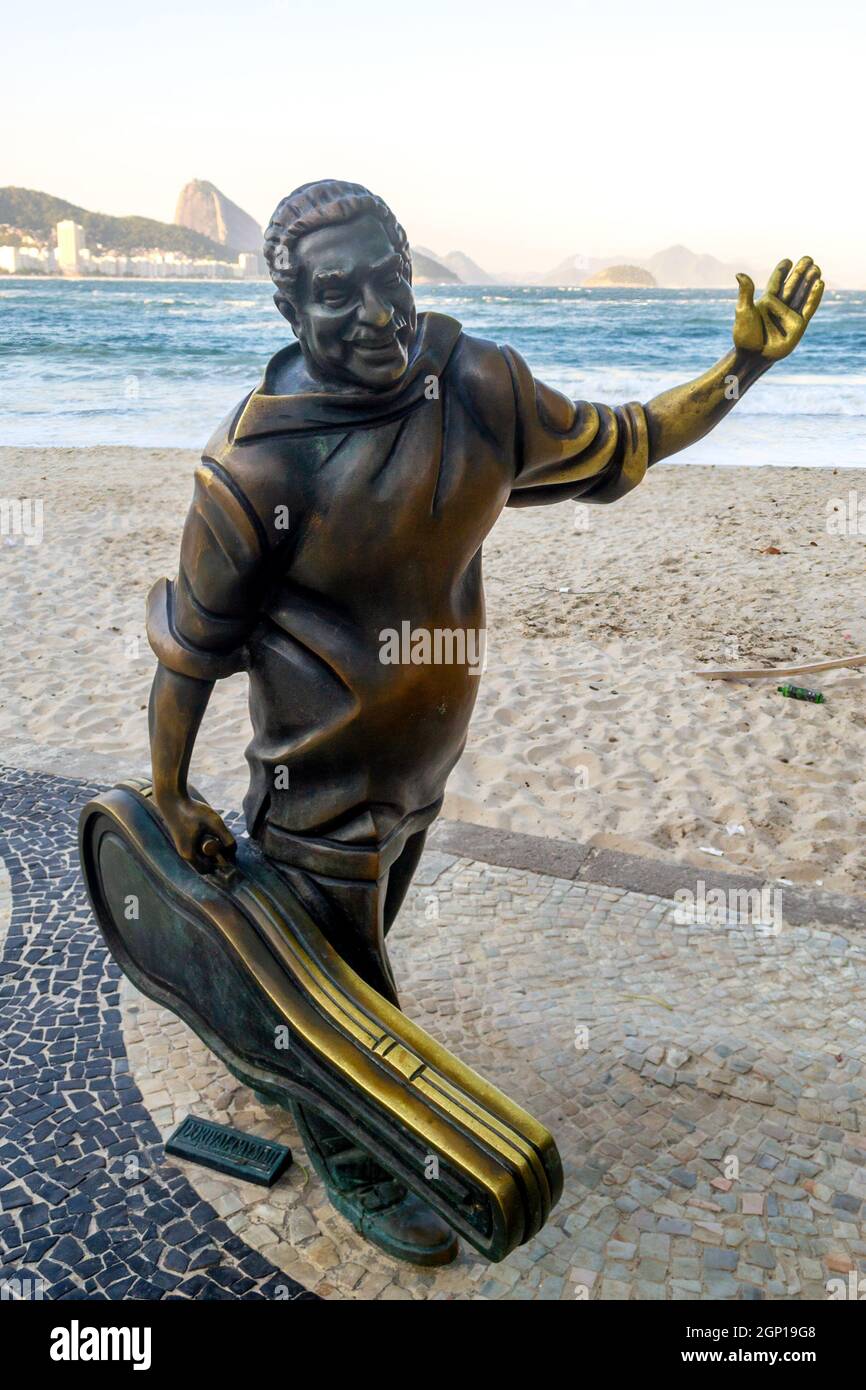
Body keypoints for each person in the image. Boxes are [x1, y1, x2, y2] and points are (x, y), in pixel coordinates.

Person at [146, 179, 823, 1263]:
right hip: (316, 793)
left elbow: (628, 441)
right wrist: (169, 793)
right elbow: (188, 648)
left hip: (420, 773)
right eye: (336, 295)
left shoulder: (477, 386)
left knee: (335, 969)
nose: (375, 312)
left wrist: (745, 364)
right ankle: (355, 1138)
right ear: (288, 311)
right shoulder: (255, 468)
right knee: (355, 1003)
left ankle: (276, 1039)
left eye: (389, 278)